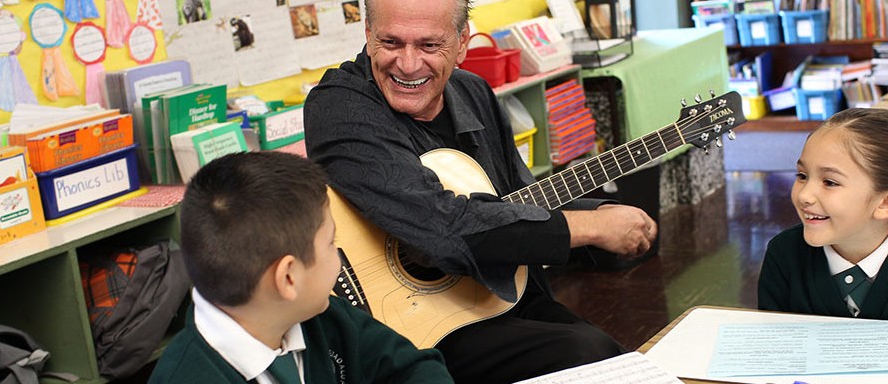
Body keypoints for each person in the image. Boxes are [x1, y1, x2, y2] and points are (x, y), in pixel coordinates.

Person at [304, 0, 657, 382]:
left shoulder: (474, 93)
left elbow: (520, 196)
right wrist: (590, 228)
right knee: (585, 352)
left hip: (491, 296)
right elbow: (437, 232)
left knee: (614, 363)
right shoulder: (340, 106)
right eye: (391, 42)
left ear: (462, 44)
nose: (407, 64)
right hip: (405, 327)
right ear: (369, 35)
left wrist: (601, 213)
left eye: (428, 46)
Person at [149, 152, 453, 383]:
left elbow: (416, 369)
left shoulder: (320, 316)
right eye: (332, 243)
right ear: (289, 278)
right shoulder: (187, 375)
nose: (339, 256)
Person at [758, 108, 888, 327]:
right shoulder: (783, 253)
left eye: (830, 182)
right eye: (802, 176)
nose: (804, 195)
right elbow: (774, 343)